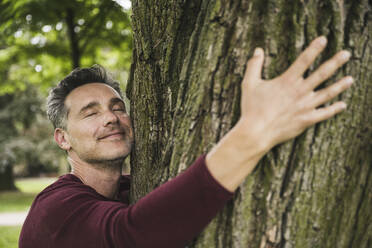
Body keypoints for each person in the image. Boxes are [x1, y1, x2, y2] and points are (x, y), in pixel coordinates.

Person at [19, 36, 353, 248]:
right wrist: (257, 130)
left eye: (117, 107)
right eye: (90, 113)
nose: (110, 118)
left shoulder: (128, 188)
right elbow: (132, 235)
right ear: (63, 139)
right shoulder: (55, 208)